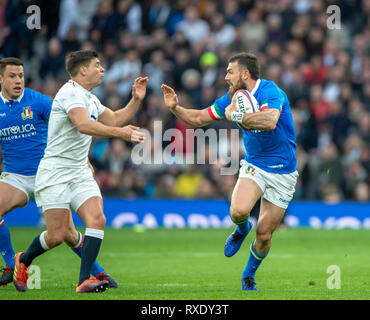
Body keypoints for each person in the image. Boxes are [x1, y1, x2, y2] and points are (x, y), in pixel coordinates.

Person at [12, 50, 147, 293]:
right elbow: (84, 125)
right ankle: (23, 260)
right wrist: (123, 134)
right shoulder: (69, 92)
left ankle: (84, 280)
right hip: (54, 171)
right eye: (98, 64)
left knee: (97, 219)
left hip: (79, 171)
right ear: (83, 70)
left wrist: (136, 100)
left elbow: (115, 119)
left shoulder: (91, 98)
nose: (102, 69)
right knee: (57, 235)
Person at [161, 52, 298, 291]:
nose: (225, 77)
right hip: (255, 165)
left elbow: (270, 121)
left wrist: (236, 115)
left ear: (245, 73)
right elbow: (199, 117)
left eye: (230, 71)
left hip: (284, 171)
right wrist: (175, 108)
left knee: (265, 235)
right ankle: (243, 228)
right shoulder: (231, 97)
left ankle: (248, 275)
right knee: (238, 211)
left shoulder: (270, 91)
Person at [0, 57, 117, 288]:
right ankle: (11, 264)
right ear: (1, 78)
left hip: (52, 172)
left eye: (21, 76)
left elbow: (68, 129)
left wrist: (83, 159)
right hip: (16, 176)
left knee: (64, 234)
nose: (18, 81)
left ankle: (97, 272)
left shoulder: (39, 101)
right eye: (12, 76)